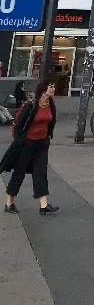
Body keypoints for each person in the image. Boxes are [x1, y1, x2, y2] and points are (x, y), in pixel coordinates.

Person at [2, 79, 59, 215]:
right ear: (44, 89)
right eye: (51, 86)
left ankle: (44, 206)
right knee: (19, 173)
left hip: (42, 144)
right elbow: (19, 124)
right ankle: (9, 203)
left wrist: (48, 135)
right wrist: (20, 141)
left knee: (41, 173)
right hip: (27, 144)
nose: (53, 89)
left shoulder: (50, 104)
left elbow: (52, 121)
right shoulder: (31, 105)